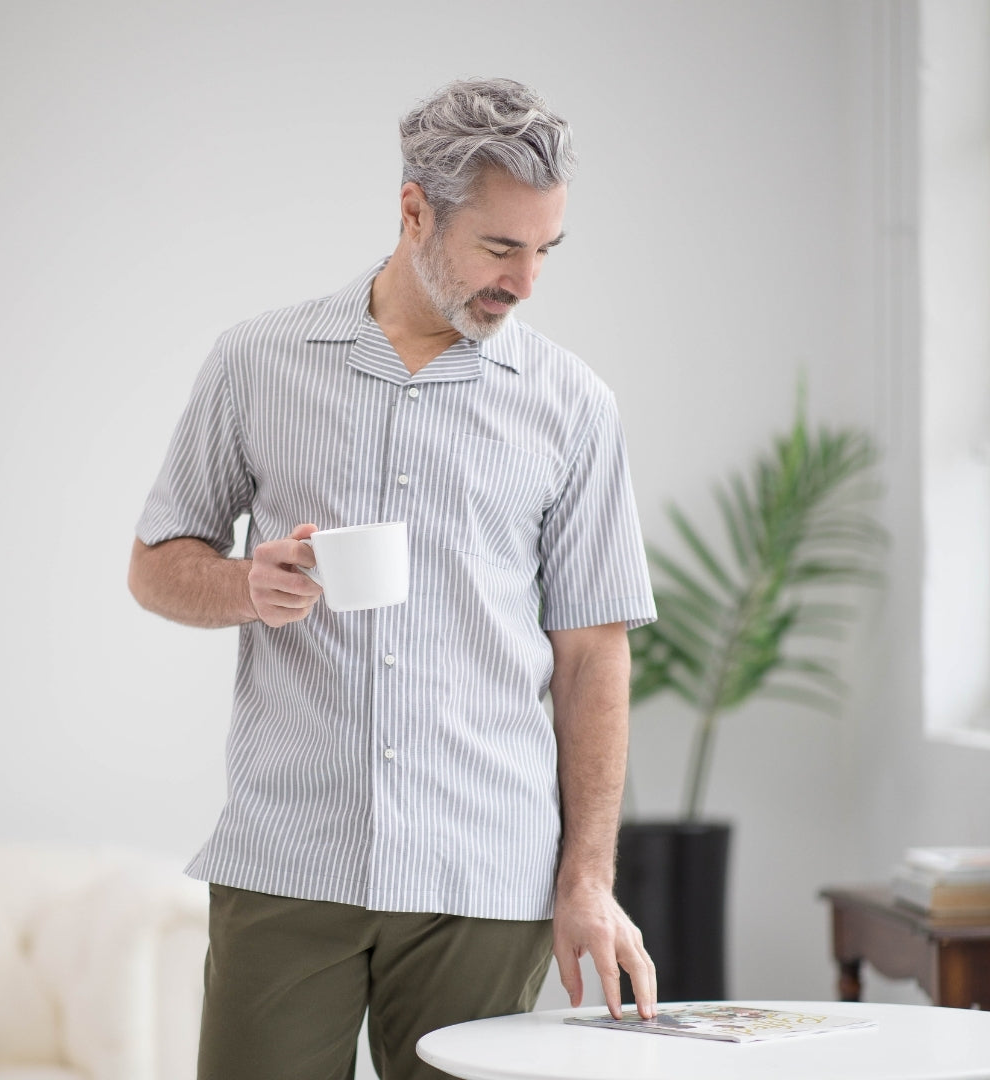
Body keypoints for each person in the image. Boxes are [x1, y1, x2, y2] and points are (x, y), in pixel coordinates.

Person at [129, 77, 658, 1080]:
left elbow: (594, 652)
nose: (527, 281)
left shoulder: (572, 405)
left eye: (546, 250)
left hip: (483, 873)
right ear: (415, 209)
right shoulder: (256, 363)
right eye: (500, 248)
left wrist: (587, 877)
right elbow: (156, 566)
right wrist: (247, 586)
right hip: (288, 860)